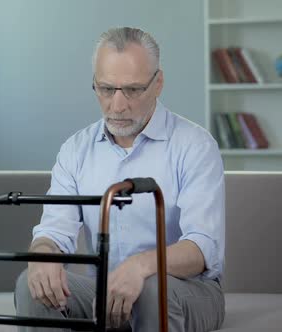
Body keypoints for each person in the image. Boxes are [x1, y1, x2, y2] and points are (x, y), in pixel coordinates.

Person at [14, 27, 225, 332]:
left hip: (188, 292)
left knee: (151, 289)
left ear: (158, 83)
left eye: (133, 90)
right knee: (30, 284)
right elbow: (54, 232)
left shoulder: (195, 145)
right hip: (105, 292)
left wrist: (140, 267)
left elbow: (202, 248)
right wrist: (43, 255)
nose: (117, 105)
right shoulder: (75, 150)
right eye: (106, 89)